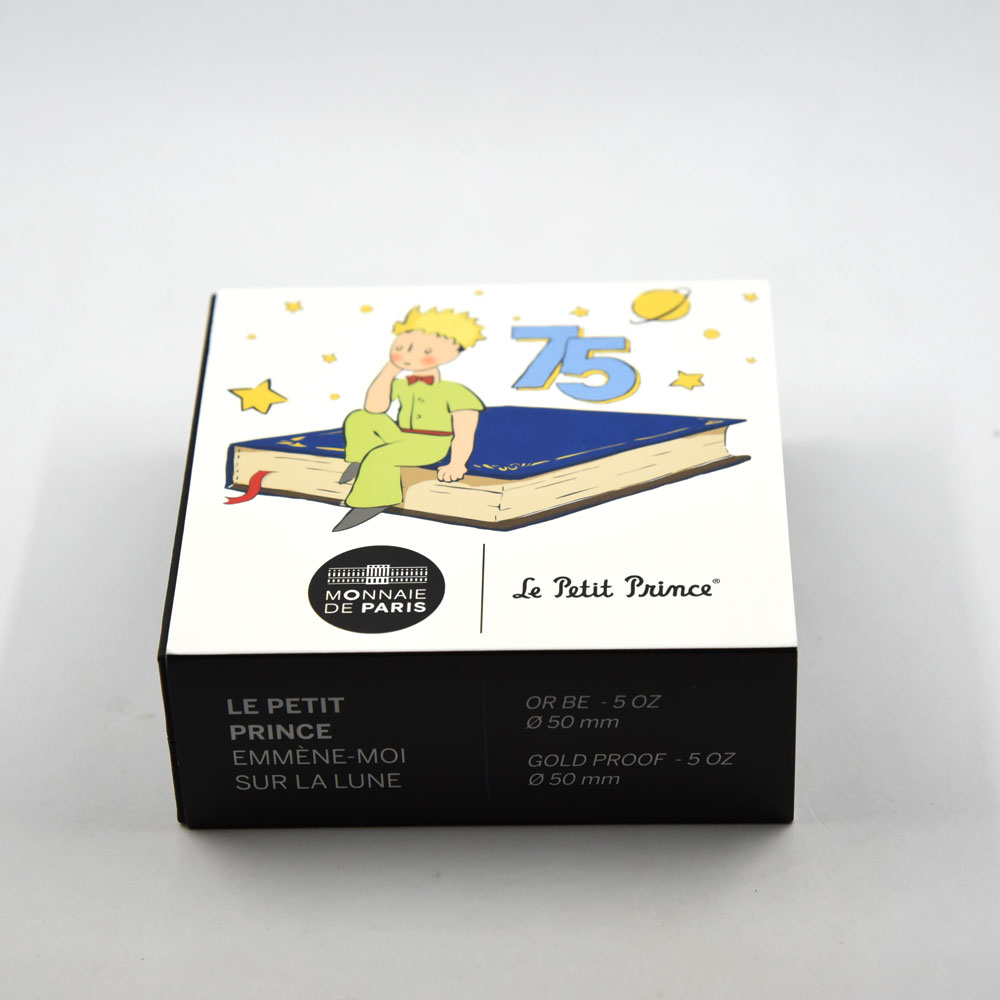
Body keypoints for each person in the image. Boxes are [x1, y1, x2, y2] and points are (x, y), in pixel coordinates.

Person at [333, 306, 485, 531]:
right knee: (359, 418)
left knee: (381, 455)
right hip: (402, 435)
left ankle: (375, 500)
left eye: (422, 349)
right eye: (401, 347)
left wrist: (457, 464)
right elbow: (374, 408)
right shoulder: (402, 385)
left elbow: (464, 433)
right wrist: (388, 372)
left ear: (452, 351)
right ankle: (359, 461)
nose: (407, 355)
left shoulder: (455, 392)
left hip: (432, 444)